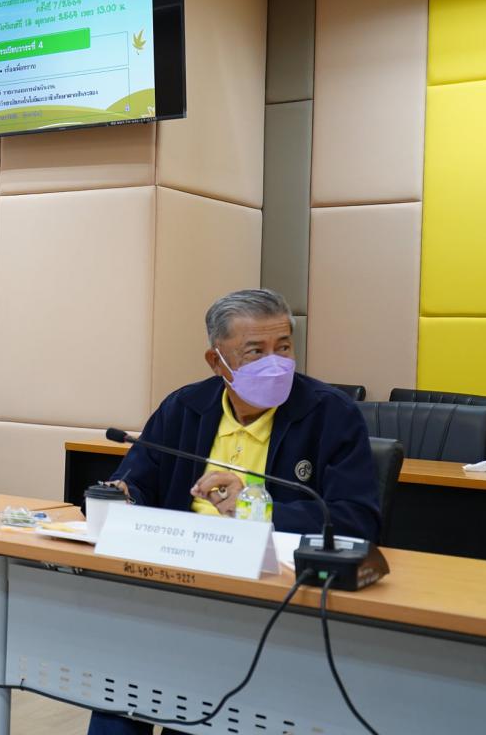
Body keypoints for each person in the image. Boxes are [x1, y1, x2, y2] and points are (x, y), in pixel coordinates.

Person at [87, 288, 380, 735]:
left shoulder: (331, 415)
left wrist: (254, 506)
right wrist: (124, 495)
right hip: (175, 584)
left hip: (271, 600)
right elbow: (139, 482)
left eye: (284, 347)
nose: (275, 363)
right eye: (255, 352)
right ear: (216, 360)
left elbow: (355, 520)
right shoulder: (184, 407)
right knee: (121, 692)